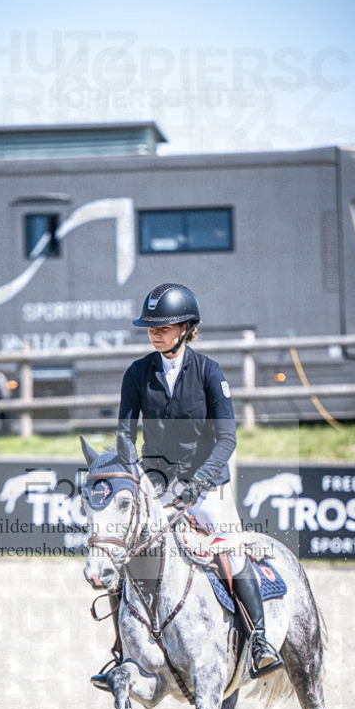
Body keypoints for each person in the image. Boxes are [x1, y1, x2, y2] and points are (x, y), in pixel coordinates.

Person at [94, 281, 283, 683]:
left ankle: (260, 641)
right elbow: (125, 434)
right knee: (128, 554)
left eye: (163, 327)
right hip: (157, 485)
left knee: (231, 551)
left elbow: (227, 438)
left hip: (208, 485)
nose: (154, 332)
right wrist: (134, 478)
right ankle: (121, 649)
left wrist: (196, 485)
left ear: (186, 328)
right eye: (150, 327)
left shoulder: (209, 372)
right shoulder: (136, 373)